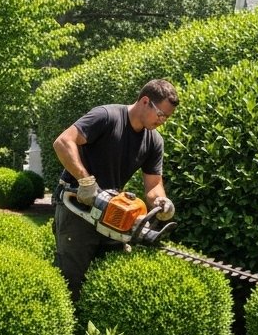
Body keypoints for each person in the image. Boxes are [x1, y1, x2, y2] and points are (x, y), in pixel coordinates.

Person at [52, 78, 178, 299]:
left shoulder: (154, 141)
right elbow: (63, 142)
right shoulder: (107, 116)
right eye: (161, 115)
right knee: (70, 280)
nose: (163, 121)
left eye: (167, 117)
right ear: (145, 101)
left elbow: (154, 184)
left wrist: (161, 202)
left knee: (106, 279)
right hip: (78, 206)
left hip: (110, 211)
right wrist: (86, 181)